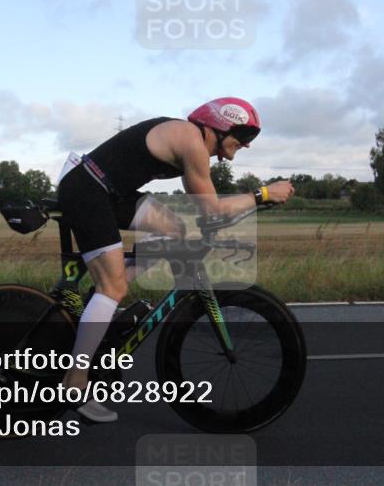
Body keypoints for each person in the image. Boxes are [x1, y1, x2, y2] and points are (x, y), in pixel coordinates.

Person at [56, 97, 294, 422]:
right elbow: (212, 209)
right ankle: (75, 382)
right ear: (218, 127)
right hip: (88, 190)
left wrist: (252, 205)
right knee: (111, 288)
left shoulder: (188, 139)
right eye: (234, 144)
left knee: (174, 229)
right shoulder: (191, 143)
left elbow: (205, 213)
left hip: (108, 191)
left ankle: (109, 297)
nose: (229, 154)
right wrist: (263, 194)